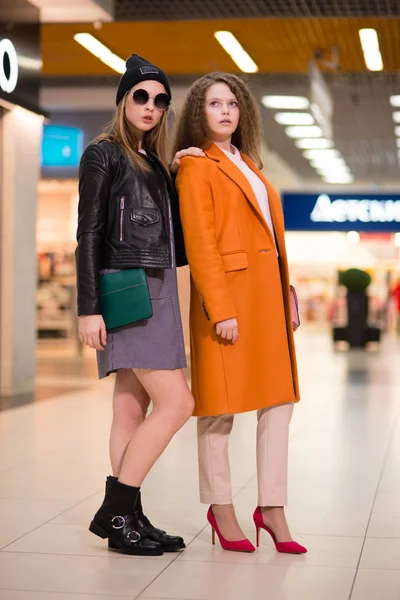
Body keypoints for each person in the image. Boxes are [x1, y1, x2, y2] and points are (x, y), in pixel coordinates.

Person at [173, 72, 307, 554]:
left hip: (266, 300)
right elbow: (203, 246)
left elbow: (267, 234)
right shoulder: (194, 167)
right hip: (226, 303)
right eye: (214, 103)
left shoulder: (249, 163)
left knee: (279, 403)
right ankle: (220, 505)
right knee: (219, 410)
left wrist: (284, 289)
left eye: (232, 103)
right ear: (198, 113)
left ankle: (272, 506)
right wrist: (218, 309)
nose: (225, 111)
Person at [76, 54, 203, 556]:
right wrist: (88, 308)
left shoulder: (154, 163)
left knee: (132, 407)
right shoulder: (103, 154)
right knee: (179, 403)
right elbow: (88, 233)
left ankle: (129, 517)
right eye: (141, 96)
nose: (151, 106)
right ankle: (116, 511)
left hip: (158, 286)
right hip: (128, 287)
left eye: (160, 100)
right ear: (124, 99)